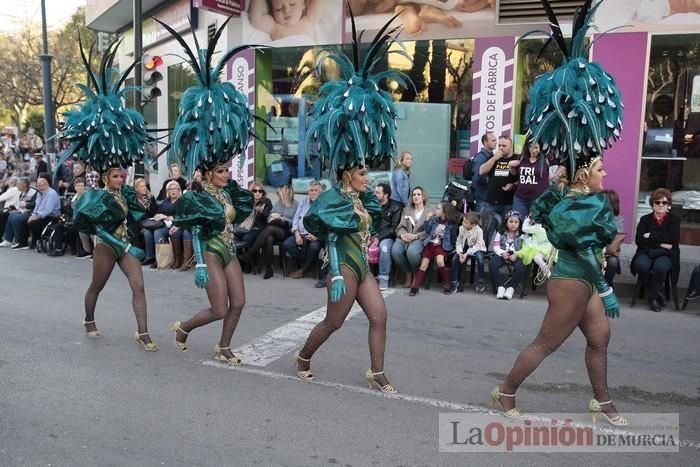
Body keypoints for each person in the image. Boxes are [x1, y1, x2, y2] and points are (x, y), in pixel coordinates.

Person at [493, 0, 627, 427]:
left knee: (600, 339)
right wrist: (604, 287)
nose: (606, 172)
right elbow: (587, 247)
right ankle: (506, 390)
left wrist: (601, 282)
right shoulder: (583, 204)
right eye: (601, 167)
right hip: (572, 280)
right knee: (546, 343)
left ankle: (602, 402)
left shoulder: (580, 199)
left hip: (583, 278)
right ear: (587, 172)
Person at [294, 11, 411, 393]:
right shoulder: (332, 197)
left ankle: (377, 371)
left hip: (361, 264)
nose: (368, 177)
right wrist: (333, 269)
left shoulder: (364, 200)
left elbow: (374, 222)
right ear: (347, 174)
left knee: (380, 316)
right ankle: (304, 356)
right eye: (362, 173)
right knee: (334, 321)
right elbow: (319, 227)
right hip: (343, 265)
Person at [161, 17, 256, 366]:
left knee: (240, 302)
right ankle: (184, 328)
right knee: (219, 307)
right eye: (220, 170)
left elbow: (243, 211)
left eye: (227, 168)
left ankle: (224, 346)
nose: (227, 173)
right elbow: (196, 229)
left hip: (228, 248)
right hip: (212, 251)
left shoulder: (228, 191)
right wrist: (199, 261)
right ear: (206, 171)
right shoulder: (197, 196)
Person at [59, 39, 158, 350]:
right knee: (97, 286)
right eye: (116, 175)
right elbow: (96, 227)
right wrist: (123, 243)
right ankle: (89, 319)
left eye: (123, 174)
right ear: (105, 176)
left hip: (126, 243)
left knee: (139, 285)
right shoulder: (95, 196)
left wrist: (143, 198)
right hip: (108, 244)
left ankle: (143, 332)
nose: (122, 177)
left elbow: (142, 212)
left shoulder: (126, 191)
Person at [630, 188, 680, 312]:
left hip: (667, 254)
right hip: (645, 252)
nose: (661, 205)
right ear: (652, 204)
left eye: (664, 203)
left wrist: (651, 235)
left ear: (669, 205)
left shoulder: (674, 220)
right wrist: (662, 243)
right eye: (657, 202)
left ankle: (652, 298)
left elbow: (673, 239)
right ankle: (658, 294)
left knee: (661, 267)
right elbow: (639, 240)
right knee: (641, 265)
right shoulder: (644, 220)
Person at [239, 184, 298, 279]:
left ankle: (250, 253)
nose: (277, 195)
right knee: (269, 238)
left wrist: (280, 217)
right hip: (274, 228)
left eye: (278, 193)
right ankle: (269, 270)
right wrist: (272, 217)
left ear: (285, 193)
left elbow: (293, 221)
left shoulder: (295, 204)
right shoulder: (278, 203)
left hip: (286, 231)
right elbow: (270, 215)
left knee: (268, 229)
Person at [409, 201, 458, 295]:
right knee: (423, 265)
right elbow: (428, 231)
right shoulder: (435, 220)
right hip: (430, 244)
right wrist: (427, 220)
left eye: (438, 208)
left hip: (441, 246)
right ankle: (415, 286)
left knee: (440, 261)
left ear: (445, 212)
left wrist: (451, 250)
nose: (436, 210)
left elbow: (453, 238)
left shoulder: (452, 224)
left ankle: (446, 284)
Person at [391, 186, 431, 288]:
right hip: (405, 237)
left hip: (419, 238)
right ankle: (407, 273)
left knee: (412, 252)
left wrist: (416, 236)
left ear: (423, 197)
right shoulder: (406, 210)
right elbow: (400, 226)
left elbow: (430, 231)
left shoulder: (430, 212)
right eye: (414, 195)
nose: (416, 197)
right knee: (395, 250)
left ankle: (416, 274)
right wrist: (402, 235)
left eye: (418, 194)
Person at [284, 180, 324, 280]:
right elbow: (296, 218)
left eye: (316, 190)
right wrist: (296, 233)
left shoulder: (324, 204)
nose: (313, 192)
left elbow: (325, 224)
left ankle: (302, 270)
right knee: (287, 244)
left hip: (316, 236)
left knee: (314, 248)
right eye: (311, 190)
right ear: (308, 192)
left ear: (320, 192)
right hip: (301, 233)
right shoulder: (303, 202)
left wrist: (317, 236)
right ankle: (306, 264)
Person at [152, 181, 192, 270]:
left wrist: (169, 217)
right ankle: (160, 257)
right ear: (168, 191)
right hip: (165, 225)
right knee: (157, 232)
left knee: (176, 233)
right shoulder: (165, 201)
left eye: (175, 189)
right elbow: (158, 212)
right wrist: (158, 216)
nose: (173, 191)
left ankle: (178, 259)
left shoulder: (183, 201)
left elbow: (184, 215)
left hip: (179, 225)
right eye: (171, 189)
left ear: (179, 190)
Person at [488, 210, 526, 300]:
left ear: (520, 223)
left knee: (520, 267)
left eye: (516, 222)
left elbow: (525, 248)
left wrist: (517, 254)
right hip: (503, 253)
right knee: (492, 264)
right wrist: (502, 253)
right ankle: (500, 287)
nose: (513, 224)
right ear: (506, 222)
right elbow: (496, 246)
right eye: (511, 221)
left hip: (517, 254)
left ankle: (511, 288)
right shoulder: (500, 233)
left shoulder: (523, 235)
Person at [372, 182, 403, 290]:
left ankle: (384, 279)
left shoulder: (396, 206)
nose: (374, 194)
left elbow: (394, 228)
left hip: (388, 237)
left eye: (377, 193)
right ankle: (364, 278)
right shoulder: (372, 204)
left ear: (386, 195)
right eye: (374, 192)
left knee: (384, 248)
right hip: (373, 235)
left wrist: (378, 238)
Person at [510, 138, 549, 220]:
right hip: (520, 198)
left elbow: (562, 165)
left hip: (537, 199)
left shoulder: (545, 159)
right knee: (519, 222)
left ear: (540, 148)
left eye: (536, 147)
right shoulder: (522, 158)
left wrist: (555, 176)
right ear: (527, 147)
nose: (534, 150)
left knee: (534, 223)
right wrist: (510, 166)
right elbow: (514, 174)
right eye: (531, 147)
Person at [449, 211, 487, 294]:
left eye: (466, 222)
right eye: (463, 221)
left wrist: (466, 254)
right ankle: (454, 282)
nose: (463, 223)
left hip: (477, 248)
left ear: (473, 225)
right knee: (455, 259)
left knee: (480, 259)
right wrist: (460, 253)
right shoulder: (461, 228)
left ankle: (481, 281)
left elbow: (478, 245)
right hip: (465, 246)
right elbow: (458, 242)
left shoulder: (478, 231)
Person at [249, 0, 324, 41]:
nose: (286, 11)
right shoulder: (275, 26)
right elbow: (256, 19)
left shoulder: (308, 20)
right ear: (272, 11)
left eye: (292, 4)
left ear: (303, 4)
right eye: (278, 9)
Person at [482, 136, 518, 217]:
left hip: (509, 202)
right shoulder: (494, 157)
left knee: (505, 227)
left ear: (511, 146)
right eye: (499, 145)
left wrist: (513, 185)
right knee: (488, 226)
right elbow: (481, 171)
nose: (501, 148)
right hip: (492, 200)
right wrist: (494, 158)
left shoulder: (517, 158)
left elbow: (521, 179)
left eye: (504, 146)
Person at [234, 181, 272, 245]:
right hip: (245, 227)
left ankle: (251, 254)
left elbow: (267, 216)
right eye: (254, 191)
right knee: (234, 237)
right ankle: (241, 254)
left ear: (263, 193)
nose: (257, 193)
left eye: (260, 191)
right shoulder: (247, 202)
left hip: (258, 228)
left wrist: (260, 212)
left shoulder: (266, 201)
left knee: (247, 238)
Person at [132, 178, 158, 266]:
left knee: (137, 227)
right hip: (138, 221)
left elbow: (154, 213)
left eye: (145, 186)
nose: (144, 188)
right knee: (134, 225)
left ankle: (146, 256)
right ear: (136, 188)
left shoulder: (150, 198)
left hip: (149, 221)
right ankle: (140, 254)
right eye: (141, 186)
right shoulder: (133, 199)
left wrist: (147, 206)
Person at [603, 189, 625, 289]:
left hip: (609, 252)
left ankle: (607, 286)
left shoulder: (619, 219)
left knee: (612, 262)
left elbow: (616, 238)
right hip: (592, 251)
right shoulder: (592, 216)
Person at [471, 132, 497, 213]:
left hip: (487, 197)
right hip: (482, 197)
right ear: (485, 142)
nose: (496, 142)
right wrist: (492, 180)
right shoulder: (481, 157)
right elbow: (477, 177)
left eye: (495, 140)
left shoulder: (490, 156)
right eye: (493, 140)